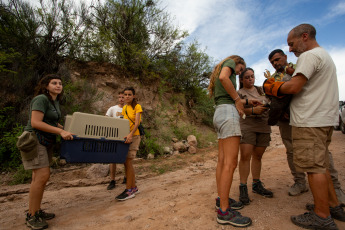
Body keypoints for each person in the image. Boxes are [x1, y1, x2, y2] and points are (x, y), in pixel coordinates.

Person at [264, 23, 345, 229]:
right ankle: (332, 206)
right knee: (321, 166)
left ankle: (321, 216)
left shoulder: (308, 56)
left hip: (310, 120)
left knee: (313, 168)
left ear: (305, 36)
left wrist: (272, 87)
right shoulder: (324, 55)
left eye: (291, 44)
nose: (290, 49)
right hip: (323, 119)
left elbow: (294, 86)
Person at [208, 55, 261, 227]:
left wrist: (245, 101)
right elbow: (225, 78)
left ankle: (221, 199)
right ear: (237, 62)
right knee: (230, 164)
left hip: (219, 113)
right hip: (228, 114)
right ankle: (224, 212)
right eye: (240, 69)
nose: (239, 73)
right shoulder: (229, 63)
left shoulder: (220, 75)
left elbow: (227, 96)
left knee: (222, 161)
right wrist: (239, 100)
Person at [21, 74, 74, 229]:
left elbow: (50, 120)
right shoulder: (41, 99)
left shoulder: (54, 100)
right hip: (35, 139)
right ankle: (32, 216)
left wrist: (63, 128)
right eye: (54, 83)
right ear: (46, 86)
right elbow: (35, 122)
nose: (58, 86)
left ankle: (36, 210)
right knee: (42, 176)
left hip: (46, 141)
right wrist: (60, 133)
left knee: (38, 178)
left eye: (60, 83)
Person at [237, 68, 272, 205]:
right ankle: (243, 187)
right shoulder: (239, 93)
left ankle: (256, 184)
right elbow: (238, 110)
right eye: (247, 77)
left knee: (258, 156)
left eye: (252, 76)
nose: (250, 79)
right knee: (245, 156)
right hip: (247, 126)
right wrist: (253, 110)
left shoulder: (262, 91)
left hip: (264, 126)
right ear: (241, 80)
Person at [115, 87, 142, 201]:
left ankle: (129, 190)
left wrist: (131, 134)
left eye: (129, 94)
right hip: (127, 137)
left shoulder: (137, 106)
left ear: (133, 96)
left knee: (128, 161)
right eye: (125, 94)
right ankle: (133, 187)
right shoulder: (125, 108)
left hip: (134, 136)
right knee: (127, 163)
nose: (126, 96)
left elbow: (137, 122)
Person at [105, 91, 127, 190]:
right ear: (118, 98)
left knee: (126, 158)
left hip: (125, 135)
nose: (121, 99)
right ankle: (112, 180)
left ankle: (127, 178)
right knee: (112, 159)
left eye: (123, 97)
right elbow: (106, 119)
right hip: (113, 135)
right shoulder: (113, 109)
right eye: (120, 97)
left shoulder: (129, 109)